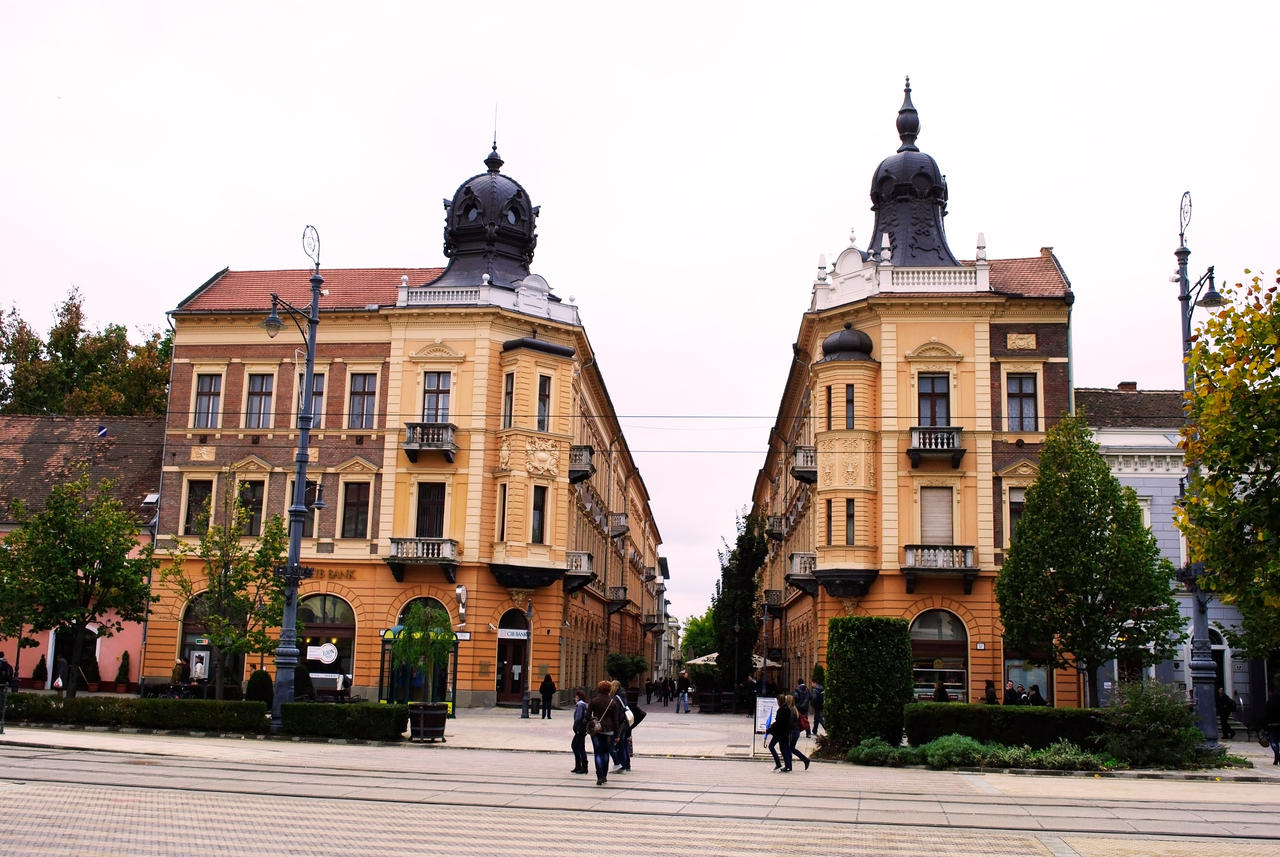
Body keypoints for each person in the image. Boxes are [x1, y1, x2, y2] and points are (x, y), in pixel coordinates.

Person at [586, 680, 622, 785]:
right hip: (609, 731)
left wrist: (593, 719)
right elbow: (616, 720)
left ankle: (599, 776)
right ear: (609, 689)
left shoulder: (594, 700)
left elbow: (587, 716)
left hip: (596, 731)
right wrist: (617, 735)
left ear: (599, 688)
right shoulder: (612, 702)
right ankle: (604, 775)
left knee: (598, 753)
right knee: (606, 753)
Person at [609, 680, 632, 773]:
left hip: (620, 725)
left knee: (619, 746)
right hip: (625, 724)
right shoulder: (623, 695)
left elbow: (617, 715)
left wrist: (616, 728)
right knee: (624, 745)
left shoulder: (616, 698)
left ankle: (622, 767)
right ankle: (626, 765)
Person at [766, 693, 793, 771]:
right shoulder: (787, 709)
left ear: (779, 701)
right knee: (784, 748)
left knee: (771, 746)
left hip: (779, 733)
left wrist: (769, 730)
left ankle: (779, 763)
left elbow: (779, 723)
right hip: (784, 732)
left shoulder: (781, 710)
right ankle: (787, 765)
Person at [786, 693, 812, 771]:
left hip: (793, 732)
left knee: (789, 748)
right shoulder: (795, 709)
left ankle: (789, 766)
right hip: (796, 732)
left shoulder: (790, 710)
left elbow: (790, 722)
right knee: (791, 748)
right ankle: (805, 760)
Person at [570, 687, 590, 774]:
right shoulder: (585, 704)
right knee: (579, 746)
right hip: (583, 728)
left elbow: (578, 718)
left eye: (576, 696)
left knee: (576, 746)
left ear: (578, 696)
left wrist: (574, 727)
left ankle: (582, 767)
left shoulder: (580, 705)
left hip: (580, 728)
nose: (575, 698)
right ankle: (580, 766)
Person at [1263, 683, 1280, 766]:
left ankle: (1277, 754)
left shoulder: (1269, 702)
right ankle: (1277, 757)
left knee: (1273, 741)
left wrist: (1264, 725)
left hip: (1271, 724)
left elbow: (1266, 714)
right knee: (1278, 739)